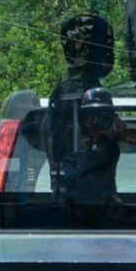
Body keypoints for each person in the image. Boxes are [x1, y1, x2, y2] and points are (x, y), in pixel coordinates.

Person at [44, 14, 115, 196]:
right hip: (91, 197)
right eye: (106, 46)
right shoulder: (90, 94)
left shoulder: (62, 91)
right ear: (86, 50)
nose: (110, 53)